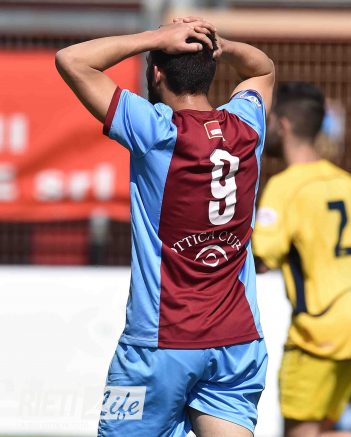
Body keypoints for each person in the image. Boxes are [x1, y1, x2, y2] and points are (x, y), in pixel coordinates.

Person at [56, 16, 274, 437]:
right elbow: (263, 69)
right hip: (237, 343)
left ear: (156, 74)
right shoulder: (247, 124)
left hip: (157, 346)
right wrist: (219, 44)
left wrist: (155, 37)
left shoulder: (156, 129)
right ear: (211, 70)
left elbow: (72, 60)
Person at [252, 82, 351, 437]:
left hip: (316, 327)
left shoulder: (285, 187)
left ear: (282, 125)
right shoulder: (345, 182)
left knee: (300, 432)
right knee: (322, 429)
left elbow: (262, 256)